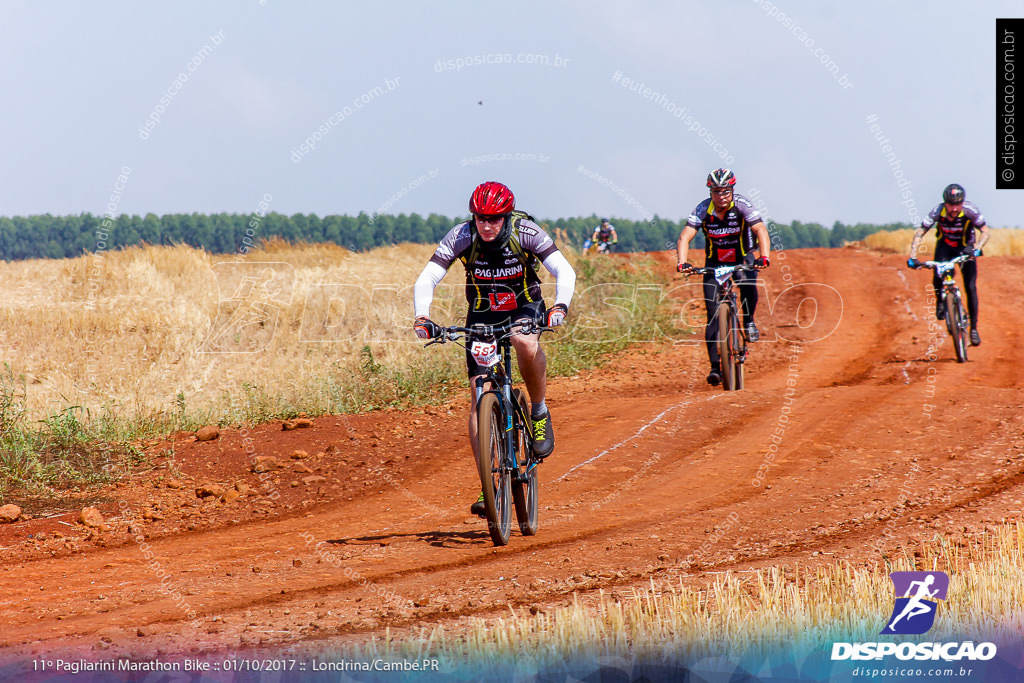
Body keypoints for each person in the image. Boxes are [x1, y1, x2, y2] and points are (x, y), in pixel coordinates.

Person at [413, 181, 576, 515]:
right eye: (480, 218)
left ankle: (540, 410)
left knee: (522, 340)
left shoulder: (525, 232)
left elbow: (563, 269)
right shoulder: (462, 235)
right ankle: (489, 483)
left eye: (494, 219)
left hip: (524, 306)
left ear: (506, 215)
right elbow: (427, 277)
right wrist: (422, 316)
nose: (486, 225)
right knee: (478, 397)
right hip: (483, 314)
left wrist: (559, 306)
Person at [675, 169, 771, 386]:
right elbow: (685, 237)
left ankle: (748, 321)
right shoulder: (702, 209)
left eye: (725, 191)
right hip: (714, 262)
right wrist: (682, 262)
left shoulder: (742, 205)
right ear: (711, 191)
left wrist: (764, 256)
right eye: (716, 191)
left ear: (732, 190)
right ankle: (715, 368)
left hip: (741, 256)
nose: (721, 196)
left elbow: (761, 230)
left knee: (747, 282)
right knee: (712, 315)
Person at [907, 183, 988, 346]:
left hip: (966, 249)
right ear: (945, 203)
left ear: (962, 203)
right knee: (937, 277)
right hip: (945, 247)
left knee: (970, 287)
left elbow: (985, 231)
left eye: (958, 204)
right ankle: (940, 303)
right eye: (951, 204)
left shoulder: (970, 211)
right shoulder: (937, 212)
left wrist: (978, 248)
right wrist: (913, 256)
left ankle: (973, 328)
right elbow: (920, 232)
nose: (954, 209)